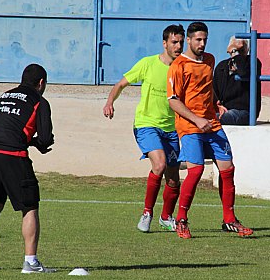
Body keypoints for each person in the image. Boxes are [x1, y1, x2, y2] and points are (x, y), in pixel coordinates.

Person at [166, 21, 253, 239]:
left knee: (227, 169)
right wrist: (196, 119)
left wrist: (215, 104)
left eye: (205, 39)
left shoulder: (210, 60)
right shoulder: (179, 66)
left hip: (211, 124)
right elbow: (173, 101)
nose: (202, 43)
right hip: (189, 125)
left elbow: (204, 89)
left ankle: (229, 220)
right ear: (188, 40)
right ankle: (182, 220)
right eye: (198, 40)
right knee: (195, 171)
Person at [0, 63, 55, 273]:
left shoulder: (5, 96)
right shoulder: (39, 101)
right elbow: (44, 139)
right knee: (29, 206)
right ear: (41, 83)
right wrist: (39, 144)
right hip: (12, 152)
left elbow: (5, 125)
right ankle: (31, 262)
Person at [103, 25, 185, 233]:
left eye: (181, 42)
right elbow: (120, 85)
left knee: (174, 179)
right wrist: (110, 102)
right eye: (174, 42)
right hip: (146, 124)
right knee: (159, 164)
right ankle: (147, 213)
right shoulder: (148, 64)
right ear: (164, 43)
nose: (178, 46)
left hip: (171, 129)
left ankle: (166, 217)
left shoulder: (183, 68)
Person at [213, 37, 262, 125]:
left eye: (240, 49)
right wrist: (218, 105)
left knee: (215, 119)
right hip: (224, 110)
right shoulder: (222, 66)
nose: (236, 52)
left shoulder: (253, 63)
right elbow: (214, 91)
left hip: (244, 111)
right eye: (234, 49)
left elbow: (243, 72)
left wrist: (237, 55)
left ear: (246, 50)